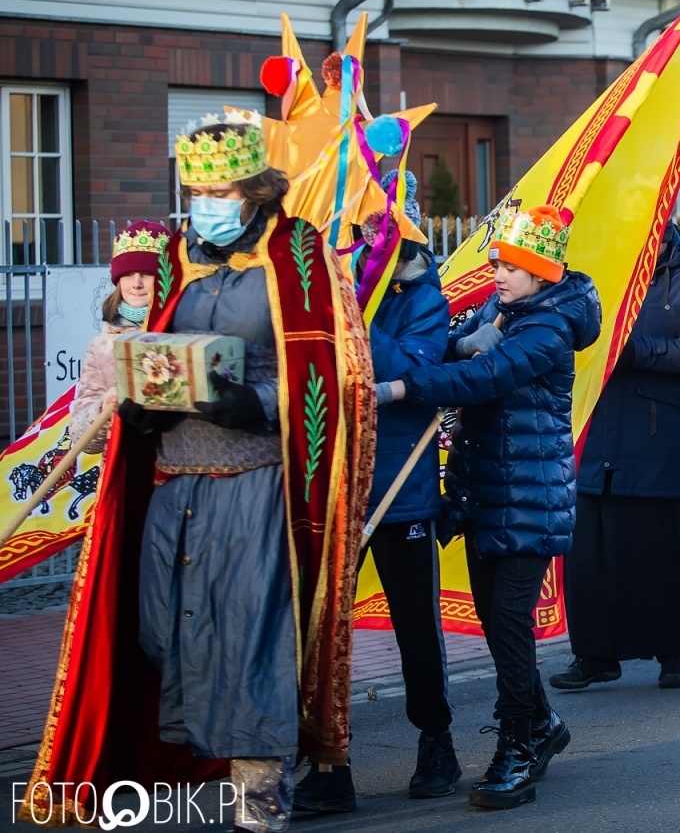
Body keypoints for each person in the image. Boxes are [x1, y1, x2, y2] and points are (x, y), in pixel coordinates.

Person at [26, 117, 372, 833]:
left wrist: (256, 402)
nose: (206, 204)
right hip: (171, 478)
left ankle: (260, 794)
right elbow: (145, 344)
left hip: (255, 480)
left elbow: (337, 371)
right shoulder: (175, 256)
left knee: (249, 630)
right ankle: (206, 757)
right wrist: (138, 403)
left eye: (221, 192)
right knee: (164, 631)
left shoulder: (300, 253)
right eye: (197, 192)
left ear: (256, 191)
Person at [378, 205, 601, 809]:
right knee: (497, 624)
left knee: (507, 622)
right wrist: (452, 345)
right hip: (485, 495)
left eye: (511, 267)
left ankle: (517, 746)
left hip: (530, 500)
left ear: (542, 272)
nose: (497, 274)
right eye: (497, 263)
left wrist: (400, 386)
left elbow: (484, 378)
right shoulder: (500, 311)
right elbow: (459, 356)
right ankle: (543, 722)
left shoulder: (548, 327)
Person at [297, 173, 458, 810]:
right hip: (334, 484)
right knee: (322, 630)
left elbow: (416, 370)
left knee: (414, 623)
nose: (371, 238)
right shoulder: (326, 281)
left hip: (399, 487)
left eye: (384, 225)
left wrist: (355, 314)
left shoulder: (422, 293)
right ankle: (328, 763)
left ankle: (436, 737)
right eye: (362, 225)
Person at [552, 222, 680, 691]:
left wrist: (637, 351)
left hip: (658, 441)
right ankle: (595, 656)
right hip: (599, 437)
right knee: (591, 556)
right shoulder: (602, 278)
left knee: (663, 555)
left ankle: (674, 655)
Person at [66, 220, 172, 454]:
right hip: (129, 465)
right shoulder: (102, 345)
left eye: (147, 274)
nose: (136, 284)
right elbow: (81, 436)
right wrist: (104, 407)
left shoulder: (183, 332)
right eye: (128, 274)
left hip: (178, 461)